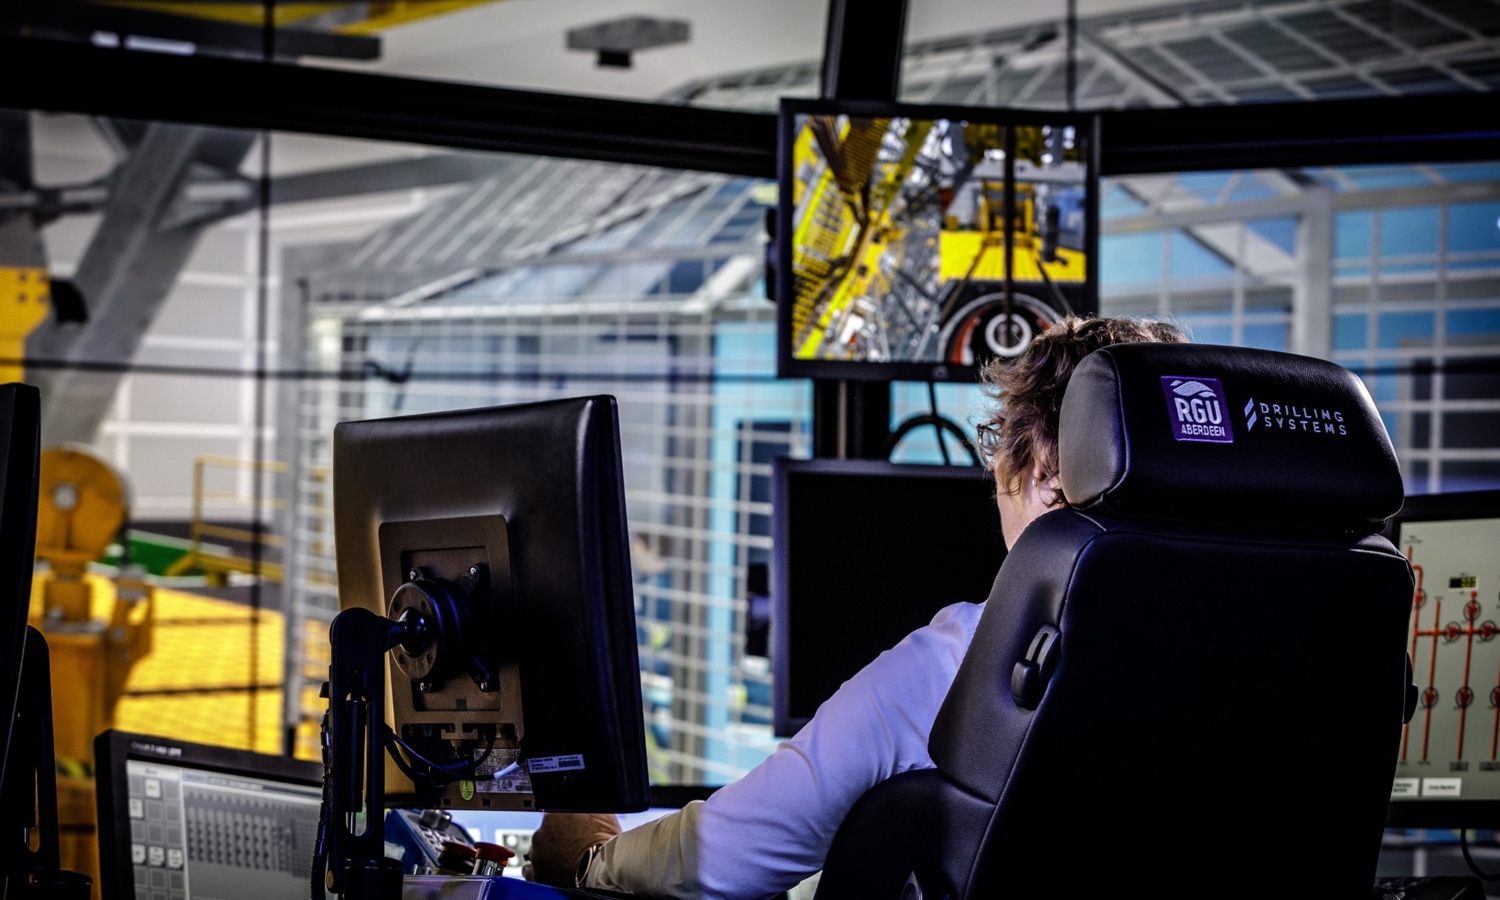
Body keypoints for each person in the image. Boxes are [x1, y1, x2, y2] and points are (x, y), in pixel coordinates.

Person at [525, 315, 1188, 899]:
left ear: (1042, 468)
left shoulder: (970, 663)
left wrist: (591, 861)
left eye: (999, 444)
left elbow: (722, 859)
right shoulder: (1267, 654)